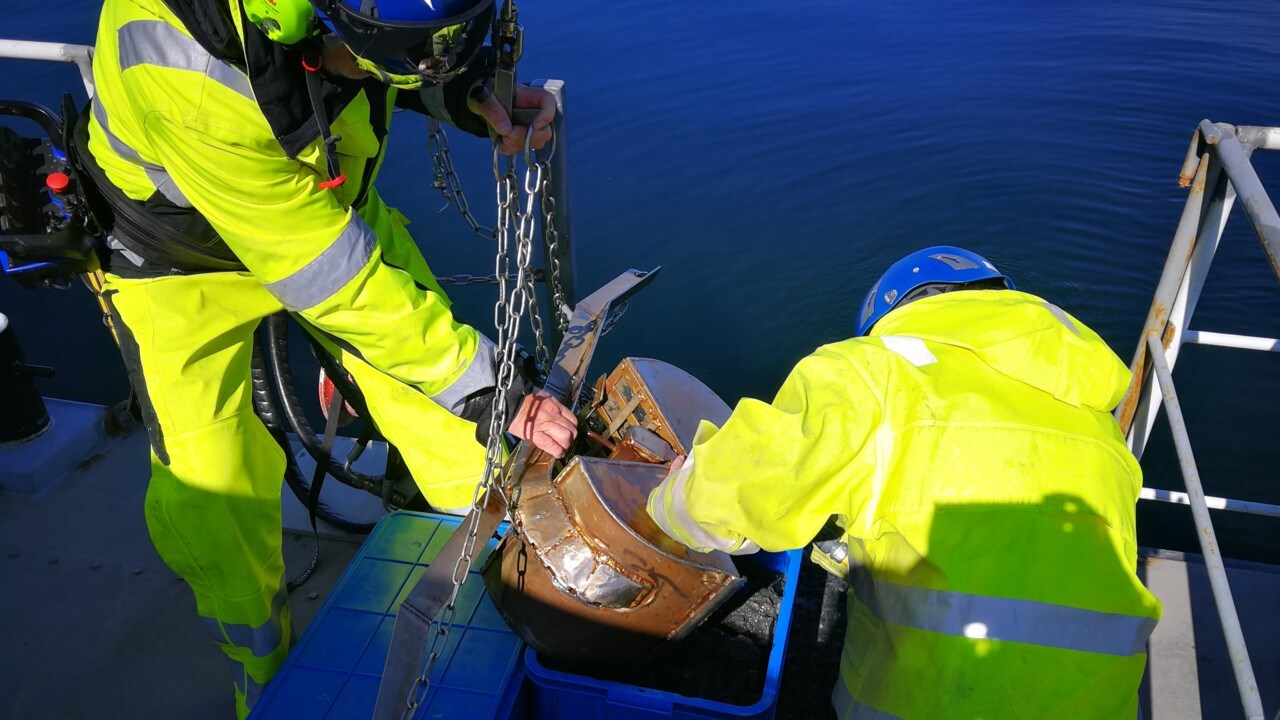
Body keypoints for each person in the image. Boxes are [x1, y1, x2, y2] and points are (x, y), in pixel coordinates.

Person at [81, 0, 576, 715]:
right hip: (178, 266)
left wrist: (466, 95)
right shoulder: (183, 59)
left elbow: (362, 69)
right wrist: (493, 385)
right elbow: (332, 280)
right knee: (213, 495)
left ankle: (505, 618)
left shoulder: (359, 13)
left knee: (465, 443)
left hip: (327, 207)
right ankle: (268, 681)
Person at [647, 246, 1161, 719]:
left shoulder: (867, 371)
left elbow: (721, 502)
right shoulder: (1095, 421)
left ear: (889, 319)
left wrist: (670, 494)